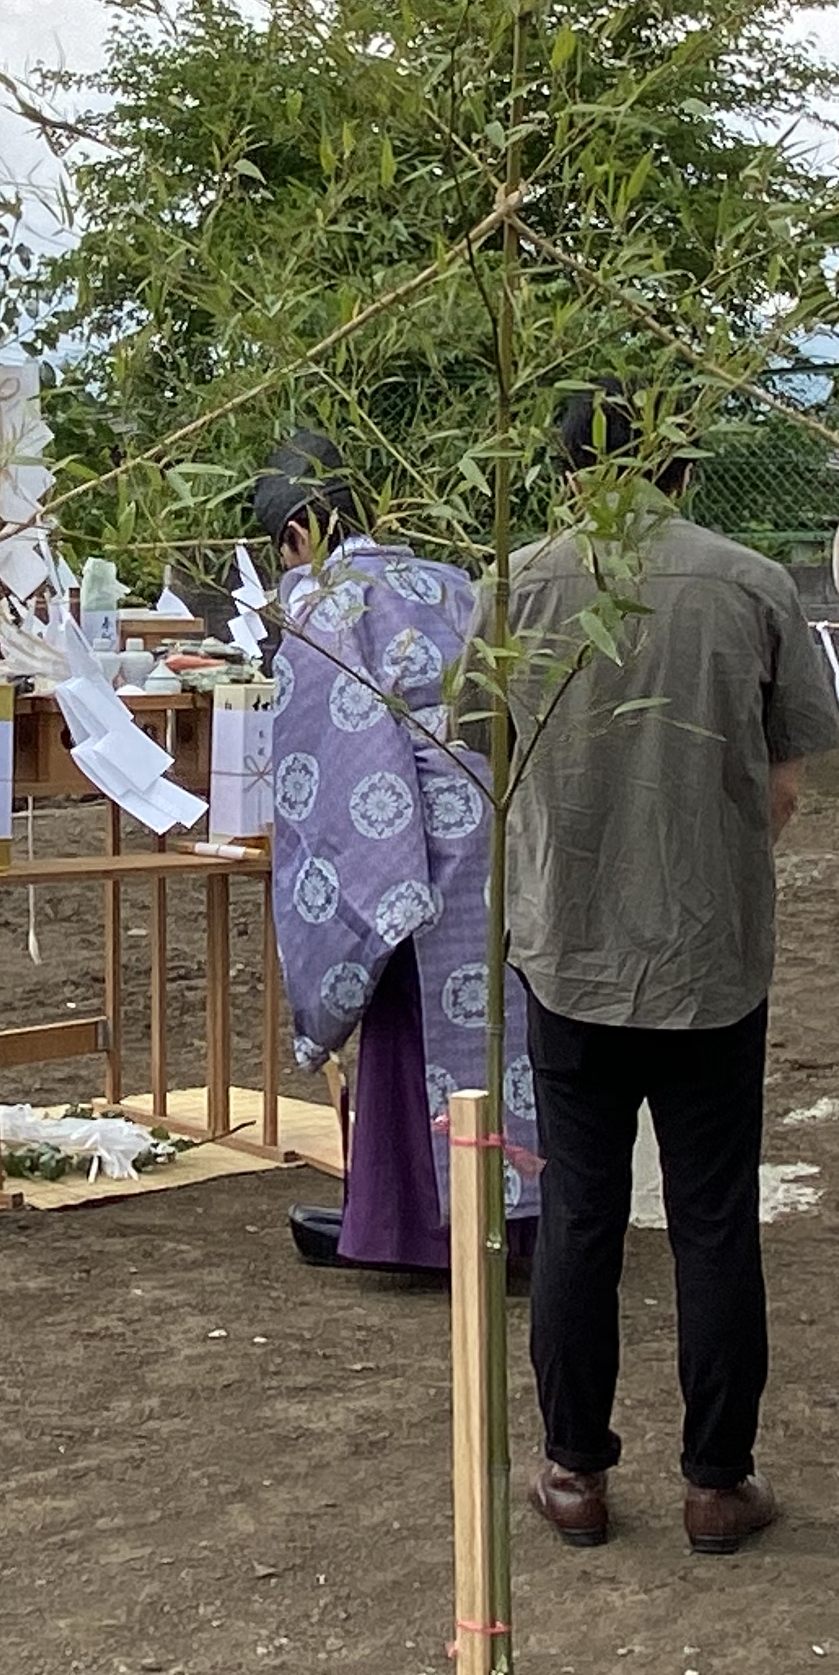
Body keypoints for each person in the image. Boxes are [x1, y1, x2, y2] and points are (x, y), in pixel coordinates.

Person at [505, 390, 839, 1558]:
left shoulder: (519, 584)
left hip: (567, 944)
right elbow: (789, 780)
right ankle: (716, 1480)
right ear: (681, 473)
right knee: (712, 1215)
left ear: (560, 474)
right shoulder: (752, 584)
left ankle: (573, 1470)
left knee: (580, 1211)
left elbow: (478, 749)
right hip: (711, 952)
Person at [252, 435, 534, 1278]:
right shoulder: (451, 581)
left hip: (410, 844)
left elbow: (330, 777)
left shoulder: (323, 605)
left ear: (299, 530)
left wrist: (358, 884)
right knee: (503, 1036)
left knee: (408, 1020)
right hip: (497, 829)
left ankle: (417, 1231)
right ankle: (519, 1221)